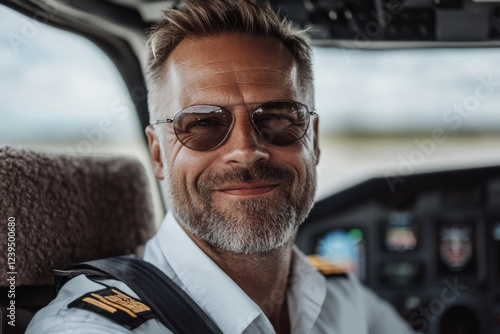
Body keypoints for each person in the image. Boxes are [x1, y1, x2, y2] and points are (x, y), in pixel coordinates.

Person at [27, 0, 416, 333]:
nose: (246, 151)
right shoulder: (91, 325)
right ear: (158, 154)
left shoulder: (343, 296)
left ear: (312, 140)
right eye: (202, 124)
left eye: (278, 118)